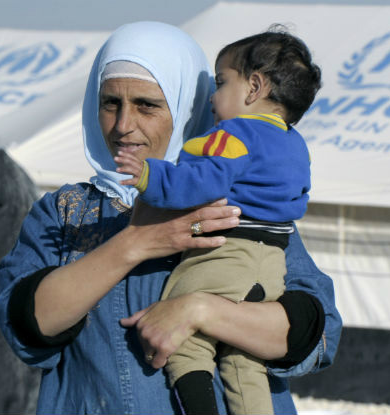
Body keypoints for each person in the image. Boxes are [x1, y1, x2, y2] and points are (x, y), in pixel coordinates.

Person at [0, 21, 342, 415]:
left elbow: (315, 332)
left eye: (147, 105)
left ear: (188, 106)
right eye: (111, 103)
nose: (124, 125)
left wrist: (199, 310)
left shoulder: (241, 203)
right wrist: (133, 244)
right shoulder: (68, 212)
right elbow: (28, 325)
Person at [115, 28, 320, 415]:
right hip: (270, 263)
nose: (212, 96)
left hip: (225, 255)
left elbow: (198, 181)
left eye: (222, 82)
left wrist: (149, 176)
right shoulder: (295, 145)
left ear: (254, 87)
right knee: (244, 361)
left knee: (186, 344)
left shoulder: (234, 133)